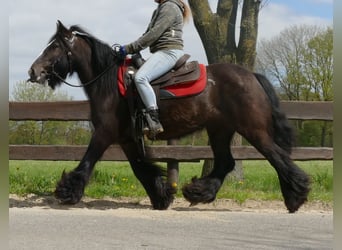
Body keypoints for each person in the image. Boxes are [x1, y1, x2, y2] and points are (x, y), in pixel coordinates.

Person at [117, 0, 191, 137]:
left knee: (141, 78)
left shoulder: (169, 7)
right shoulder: (160, 8)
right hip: (162, 52)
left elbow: (153, 35)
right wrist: (131, 49)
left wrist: (128, 48)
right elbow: (146, 35)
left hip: (169, 52)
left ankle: (153, 119)